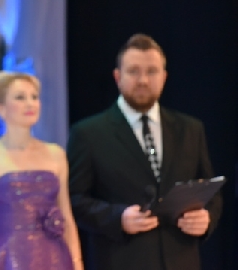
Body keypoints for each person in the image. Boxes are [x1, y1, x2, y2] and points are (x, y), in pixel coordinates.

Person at [67, 33, 223, 270]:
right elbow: (74, 199)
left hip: (181, 261)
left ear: (164, 77)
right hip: (120, 261)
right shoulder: (88, 133)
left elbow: (210, 191)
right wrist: (117, 218)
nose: (142, 80)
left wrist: (206, 219)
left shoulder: (191, 129)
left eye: (151, 71)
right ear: (117, 77)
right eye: (133, 71)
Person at [0, 71, 83, 270]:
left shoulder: (56, 154)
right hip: (9, 258)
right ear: (0, 108)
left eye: (34, 97)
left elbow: (66, 216)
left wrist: (77, 263)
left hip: (55, 257)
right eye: (20, 97)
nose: (30, 103)